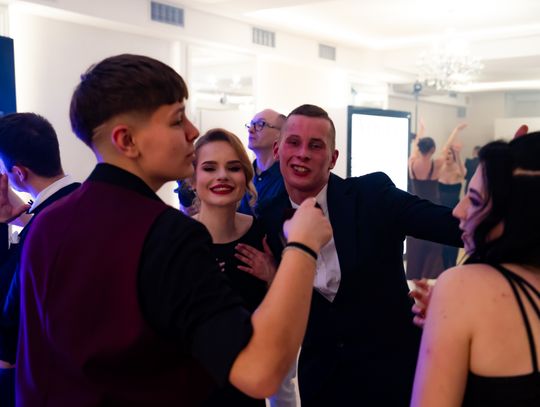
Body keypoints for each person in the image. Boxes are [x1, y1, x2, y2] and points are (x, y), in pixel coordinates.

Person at [16, 54, 332, 406]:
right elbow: (260, 371)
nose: (192, 132)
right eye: (177, 120)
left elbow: (33, 366)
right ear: (127, 141)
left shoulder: (46, 224)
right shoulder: (168, 234)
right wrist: (303, 244)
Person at [258, 104, 462, 406]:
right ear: (278, 150)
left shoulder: (372, 196)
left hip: (393, 374)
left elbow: (452, 226)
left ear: (333, 158)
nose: (303, 153)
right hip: (321, 380)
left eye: (315, 146)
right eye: (294, 142)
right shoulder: (268, 215)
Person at [411, 131, 540, 406]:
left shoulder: (461, 285)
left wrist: (454, 305)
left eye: (476, 200)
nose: (458, 211)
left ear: (522, 215)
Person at [191, 128, 275, 405]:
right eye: (209, 168)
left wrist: (273, 277)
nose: (222, 176)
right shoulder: (178, 241)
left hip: (248, 388)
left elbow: (283, 323)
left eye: (233, 168)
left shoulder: (262, 234)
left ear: (245, 177)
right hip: (192, 387)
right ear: (193, 178)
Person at [0, 112, 79, 407]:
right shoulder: (82, 199)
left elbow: (9, 304)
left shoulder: (44, 227)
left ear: (18, 174)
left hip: (47, 378)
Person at [407, 121, 466, 279]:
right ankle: (430, 281)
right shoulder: (437, 164)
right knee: (432, 248)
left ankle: (413, 280)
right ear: (433, 149)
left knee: (416, 248)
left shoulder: (411, 163)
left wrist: (421, 131)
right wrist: (456, 129)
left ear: (419, 148)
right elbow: (446, 148)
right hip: (432, 209)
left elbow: (415, 148)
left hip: (414, 210)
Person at [238, 109, 286, 216]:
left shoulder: (287, 179)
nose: (250, 130)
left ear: (280, 134)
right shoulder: (242, 175)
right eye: (251, 124)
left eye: (260, 124)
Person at [438, 146, 466, 268]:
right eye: (447, 153)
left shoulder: (458, 170)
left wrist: (458, 154)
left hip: (455, 209)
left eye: (450, 153)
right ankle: (444, 268)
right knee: (442, 241)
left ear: (454, 156)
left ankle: (453, 266)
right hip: (441, 208)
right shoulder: (440, 169)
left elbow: (464, 173)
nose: (448, 156)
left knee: (453, 239)